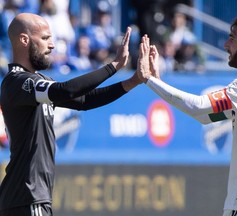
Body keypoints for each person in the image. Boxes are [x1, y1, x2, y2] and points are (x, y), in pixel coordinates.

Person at [137, 13, 237, 216]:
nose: (226, 44)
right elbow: (207, 116)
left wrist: (149, 80)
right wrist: (159, 81)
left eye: (232, 37)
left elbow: (199, 108)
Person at [0, 13, 141, 216]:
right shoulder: (18, 82)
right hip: (27, 197)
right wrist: (113, 66)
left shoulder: (34, 81)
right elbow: (66, 90)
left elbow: (84, 100)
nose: (52, 45)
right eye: (45, 38)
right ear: (24, 40)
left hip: (27, 198)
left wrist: (132, 81)